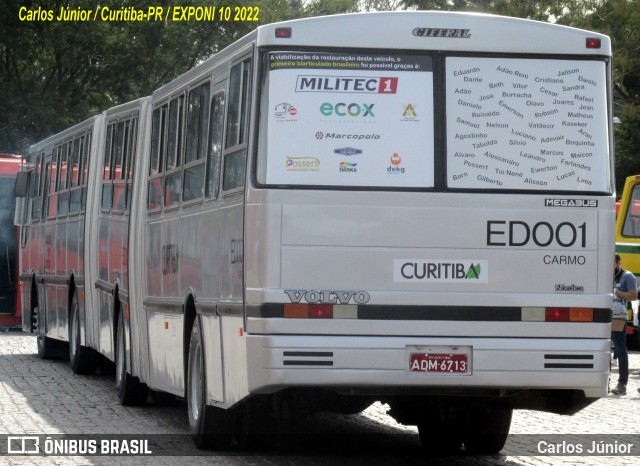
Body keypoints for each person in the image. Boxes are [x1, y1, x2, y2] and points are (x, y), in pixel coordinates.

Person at [611, 254, 638, 395]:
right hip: (603, 316)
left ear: (618, 263)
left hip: (618, 317)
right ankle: (605, 380)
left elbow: (633, 295)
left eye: (612, 264)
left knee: (620, 350)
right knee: (604, 349)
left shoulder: (628, 276)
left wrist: (618, 293)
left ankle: (622, 384)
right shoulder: (606, 275)